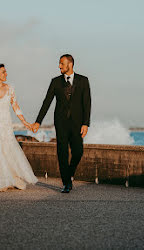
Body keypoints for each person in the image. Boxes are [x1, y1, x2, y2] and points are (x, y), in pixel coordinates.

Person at [32, 54, 91, 193]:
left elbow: (87, 103)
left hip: (77, 124)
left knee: (78, 152)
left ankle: (70, 173)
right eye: (59, 64)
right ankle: (66, 183)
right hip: (61, 123)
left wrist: (85, 123)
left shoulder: (83, 80)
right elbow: (46, 102)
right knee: (62, 152)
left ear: (70, 64)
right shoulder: (55, 82)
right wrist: (38, 122)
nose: (59, 66)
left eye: (61, 64)